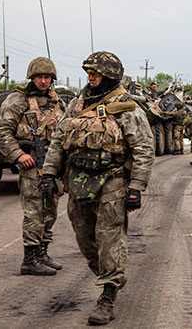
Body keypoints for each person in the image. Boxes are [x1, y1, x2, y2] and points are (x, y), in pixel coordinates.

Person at [40, 51, 154, 325]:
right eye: (89, 73)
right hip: (79, 181)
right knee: (84, 237)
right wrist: (48, 173)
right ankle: (110, 275)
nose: (91, 78)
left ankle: (108, 295)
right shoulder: (76, 105)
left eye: (97, 73)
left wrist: (136, 187)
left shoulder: (127, 107)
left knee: (109, 238)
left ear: (110, 75)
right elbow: (58, 140)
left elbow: (144, 149)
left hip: (112, 181)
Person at [0, 57, 66, 276]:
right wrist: (18, 155)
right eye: (39, 77)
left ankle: (42, 252)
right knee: (35, 211)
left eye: (47, 77)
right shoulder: (17, 100)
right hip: (32, 163)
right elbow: (2, 131)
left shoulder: (57, 101)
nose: (43, 81)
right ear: (31, 77)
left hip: (53, 165)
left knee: (51, 210)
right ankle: (29, 259)